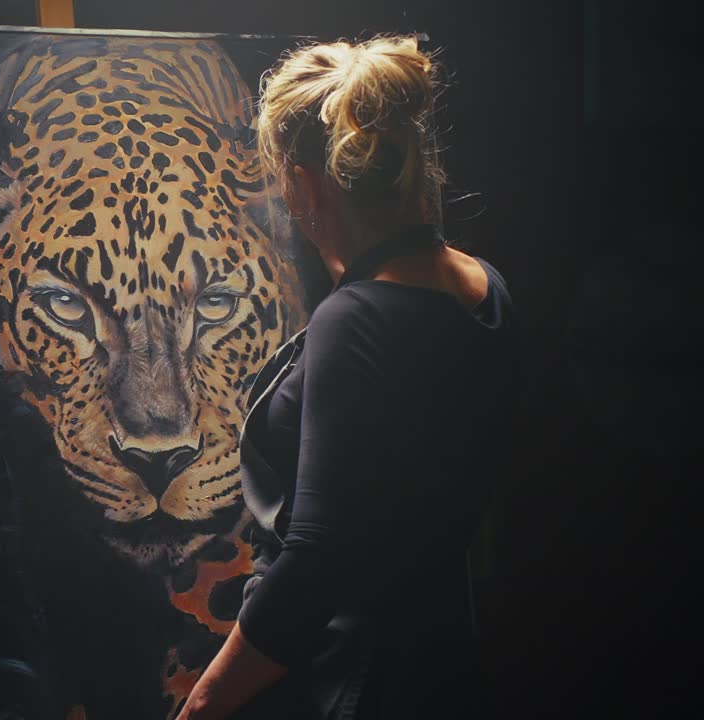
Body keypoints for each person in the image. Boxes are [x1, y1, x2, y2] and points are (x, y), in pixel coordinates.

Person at [175, 35, 518, 720]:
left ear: (305, 182)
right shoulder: (486, 288)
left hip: (347, 684)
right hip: (442, 665)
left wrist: (203, 704)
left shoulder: (358, 318)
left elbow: (315, 561)